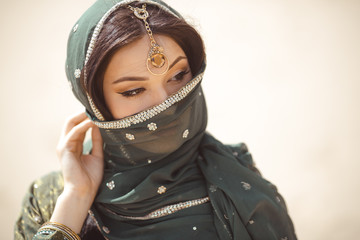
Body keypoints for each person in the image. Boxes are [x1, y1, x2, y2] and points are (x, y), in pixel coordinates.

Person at [14, 0, 297, 239]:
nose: (165, 103)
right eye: (133, 90)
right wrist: (75, 201)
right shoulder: (49, 200)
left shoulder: (238, 187)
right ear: (96, 103)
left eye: (178, 76)